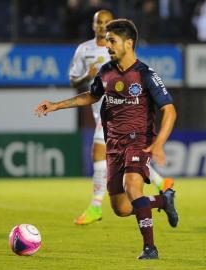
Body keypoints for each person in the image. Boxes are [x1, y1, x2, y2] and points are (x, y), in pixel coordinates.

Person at [35, 18, 178, 259]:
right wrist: (56, 105)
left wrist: (159, 143)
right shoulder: (106, 72)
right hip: (113, 144)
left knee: (133, 187)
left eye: (112, 41)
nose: (107, 46)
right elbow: (91, 96)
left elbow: (170, 110)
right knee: (122, 209)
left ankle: (150, 248)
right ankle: (163, 201)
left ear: (129, 43)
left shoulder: (146, 74)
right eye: (106, 41)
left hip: (138, 140)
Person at [69, 10, 174, 226]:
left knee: (98, 153)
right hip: (100, 110)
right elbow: (74, 81)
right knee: (122, 203)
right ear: (93, 24)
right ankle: (162, 186)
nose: (102, 26)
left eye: (107, 23)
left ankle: (96, 206)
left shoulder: (121, 50)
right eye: (99, 22)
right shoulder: (84, 50)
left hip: (115, 113)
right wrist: (86, 77)